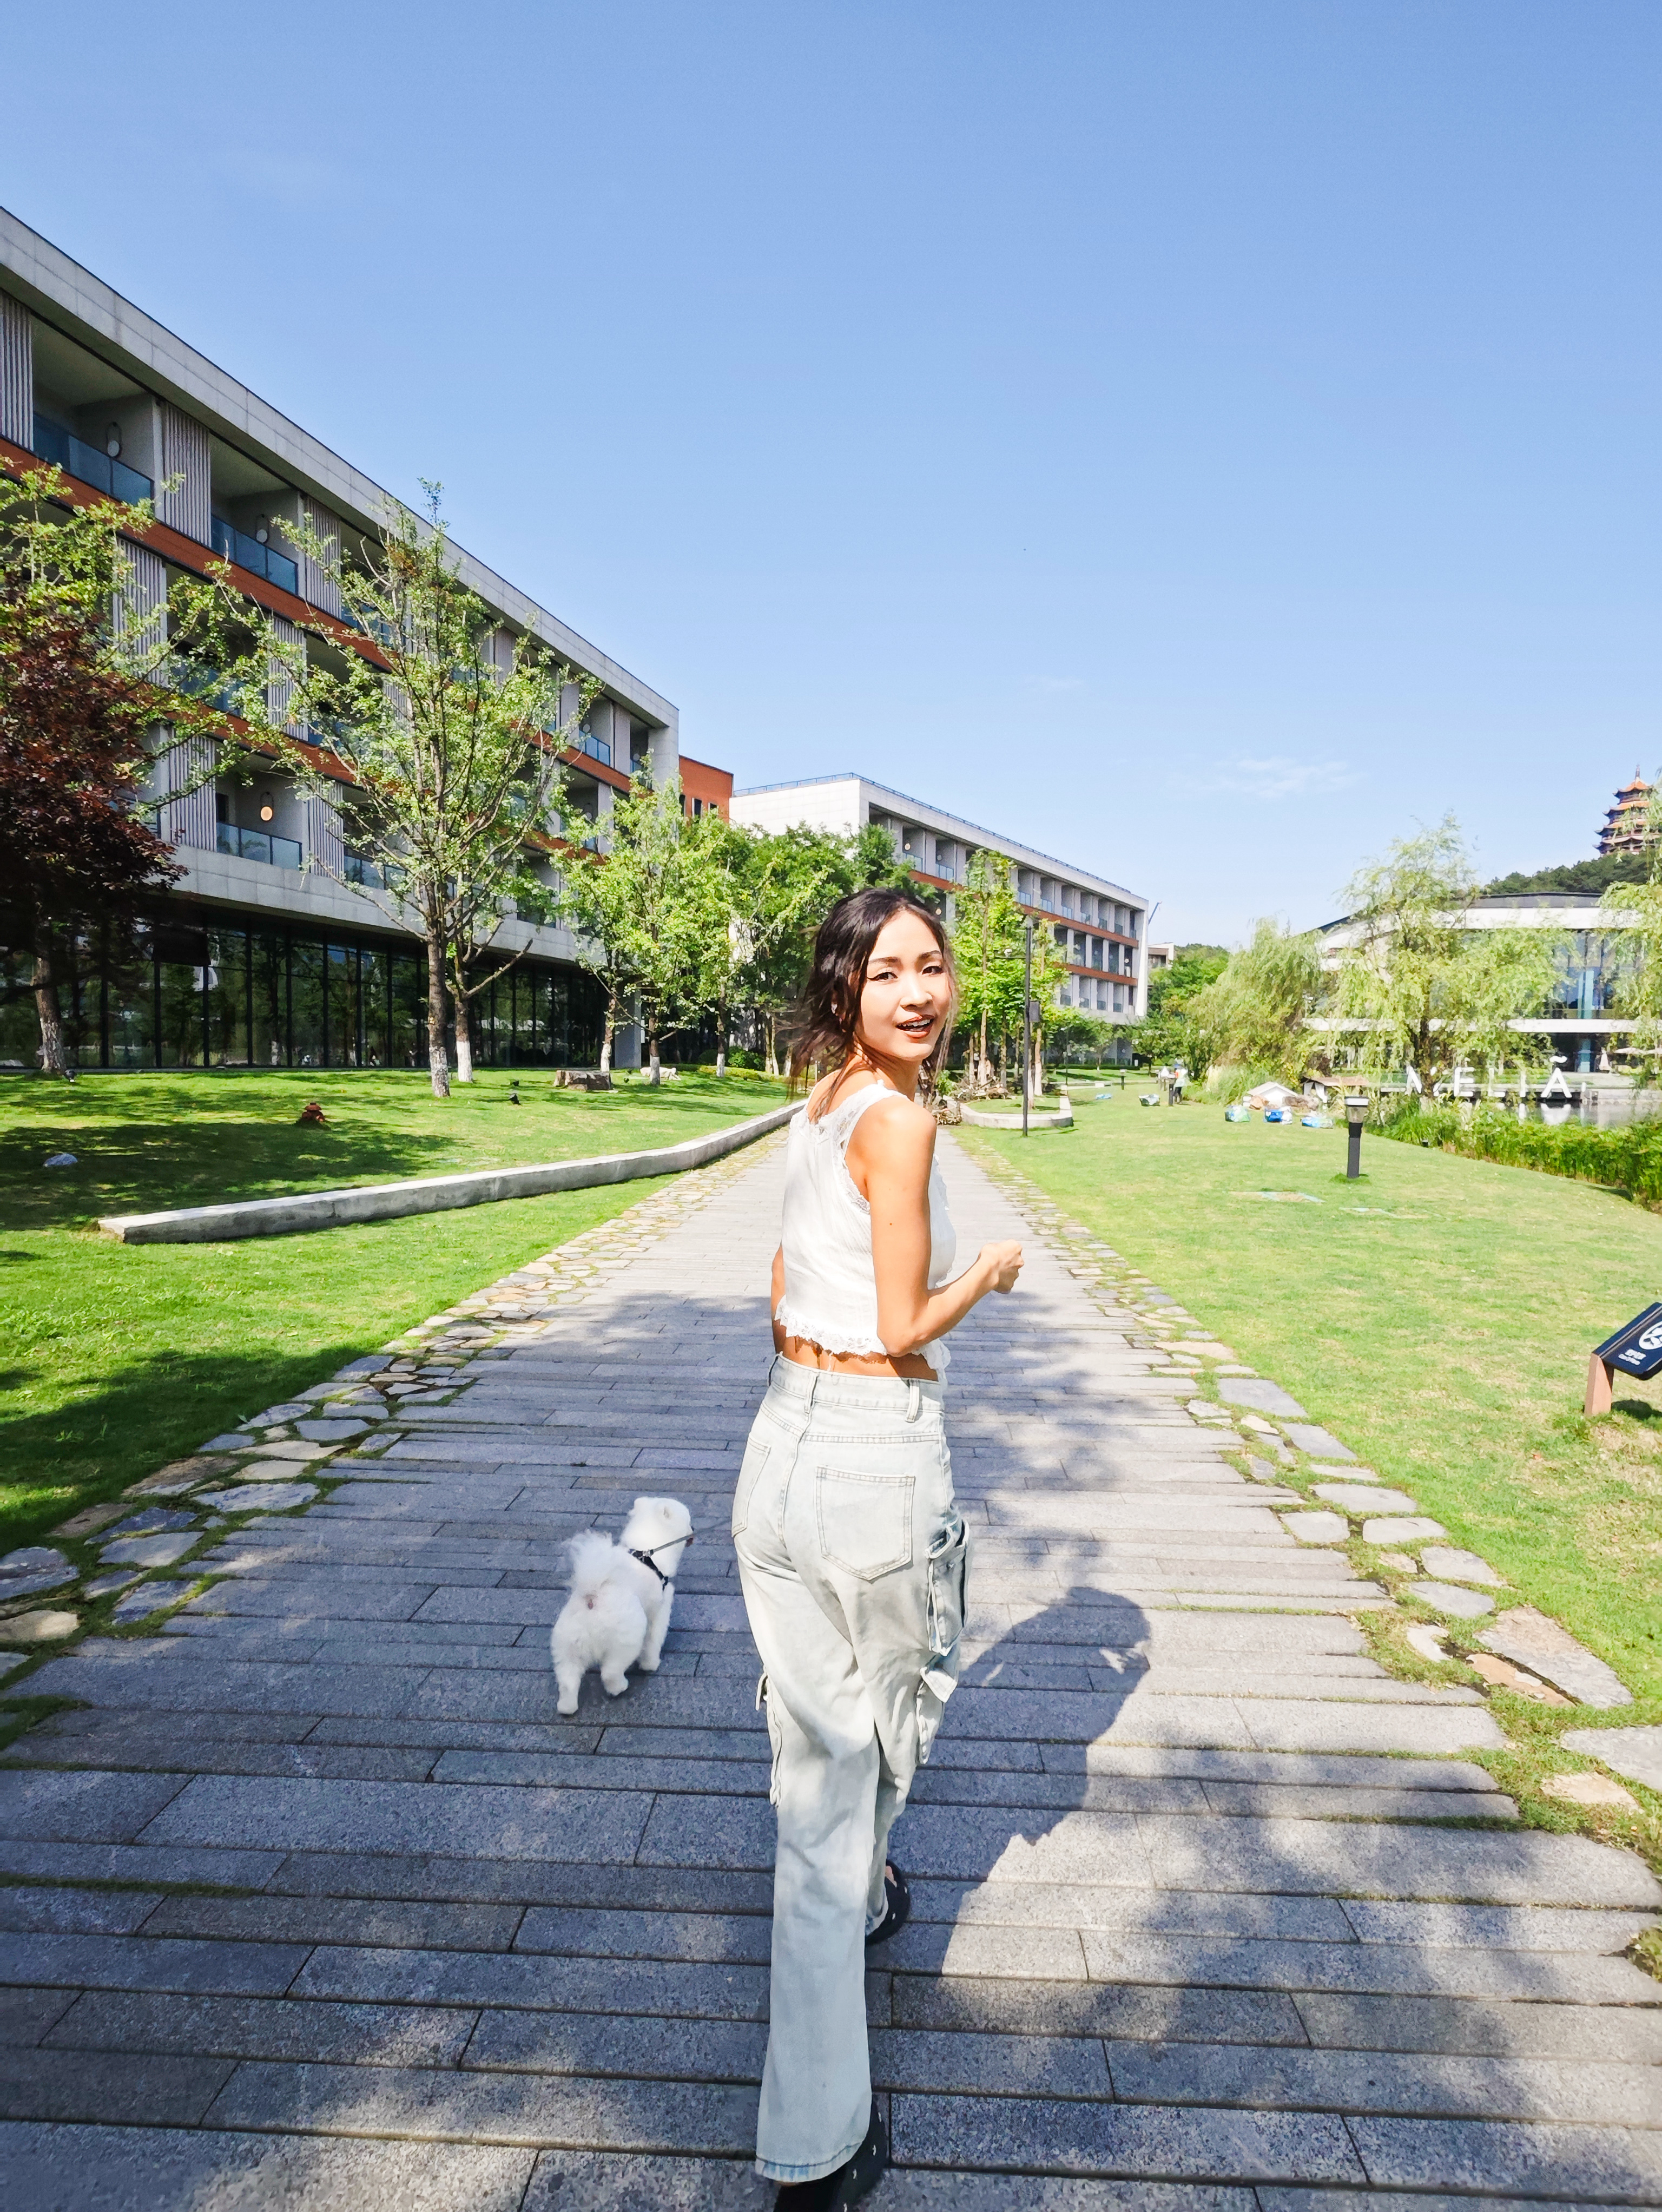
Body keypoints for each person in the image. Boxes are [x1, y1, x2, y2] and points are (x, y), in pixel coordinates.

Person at [734, 886, 1025, 2208]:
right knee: (862, 1761)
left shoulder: (823, 1099)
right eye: (889, 969)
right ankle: (816, 2145)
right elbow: (908, 1323)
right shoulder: (900, 1121)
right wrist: (996, 1271)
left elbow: (788, 1288)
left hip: (780, 1446)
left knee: (822, 1746)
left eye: (934, 965)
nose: (919, 989)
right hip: (870, 1454)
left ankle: (855, 1890)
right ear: (846, 984)